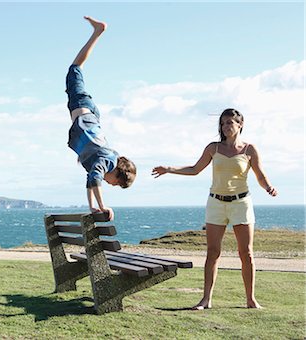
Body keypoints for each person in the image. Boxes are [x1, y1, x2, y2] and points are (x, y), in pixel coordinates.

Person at [152, 108, 277, 309]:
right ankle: (206, 300)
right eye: (224, 123)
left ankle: (251, 300)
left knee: (246, 253)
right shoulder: (213, 148)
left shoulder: (249, 149)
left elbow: (260, 176)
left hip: (241, 203)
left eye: (230, 122)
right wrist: (169, 169)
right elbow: (194, 169)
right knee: (213, 252)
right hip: (216, 204)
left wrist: (268, 187)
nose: (226, 126)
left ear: (240, 124)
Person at [66, 16, 136, 220]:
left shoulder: (101, 163)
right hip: (83, 107)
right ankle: (98, 32)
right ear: (118, 173)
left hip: (85, 111)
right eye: (115, 183)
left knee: (73, 71)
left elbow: (91, 180)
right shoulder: (107, 161)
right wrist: (103, 206)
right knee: (74, 69)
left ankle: (97, 31)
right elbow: (96, 179)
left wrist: (92, 207)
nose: (110, 184)